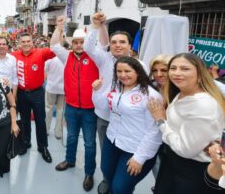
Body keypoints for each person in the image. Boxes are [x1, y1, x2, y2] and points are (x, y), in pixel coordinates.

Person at [85, 11, 146, 194]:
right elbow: (89, 47)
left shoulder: (141, 66)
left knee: (126, 154)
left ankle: (123, 185)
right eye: (114, 42)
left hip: (129, 119)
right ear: (109, 45)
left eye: (122, 42)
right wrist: (96, 26)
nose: (118, 45)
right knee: (107, 155)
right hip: (105, 116)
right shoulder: (104, 59)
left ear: (130, 46)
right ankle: (106, 180)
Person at [147, 53, 225, 194]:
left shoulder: (202, 104)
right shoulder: (182, 92)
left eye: (184, 69)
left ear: (200, 74)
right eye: (173, 68)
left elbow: (185, 150)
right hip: (172, 162)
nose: (177, 73)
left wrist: (161, 121)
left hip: (191, 171)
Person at [95, 56, 162, 194]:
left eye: (127, 71)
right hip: (112, 140)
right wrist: (96, 91)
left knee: (121, 188)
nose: (122, 75)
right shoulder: (116, 87)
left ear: (138, 72)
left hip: (134, 148)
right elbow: (101, 105)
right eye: (119, 71)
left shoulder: (150, 95)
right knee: (107, 172)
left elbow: (155, 131)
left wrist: (139, 158)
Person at [50, 16, 99, 192]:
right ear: (72, 44)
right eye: (76, 42)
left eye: (82, 42)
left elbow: (104, 44)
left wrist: (97, 25)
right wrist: (59, 26)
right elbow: (54, 45)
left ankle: (89, 173)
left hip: (90, 110)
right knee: (70, 137)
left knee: (89, 143)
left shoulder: (94, 56)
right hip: (71, 107)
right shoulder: (66, 56)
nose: (79, 45)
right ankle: (70, 160)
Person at [13, 32, 56, 163]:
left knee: (40, 121)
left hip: (37, 92)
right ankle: (26, 143)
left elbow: (55, 49)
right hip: (21, 93)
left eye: (28, 41)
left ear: (32, 42)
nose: (26, 44)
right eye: (23, 41)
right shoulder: (14, 56)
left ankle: (43, 147)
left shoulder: (41, 53)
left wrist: (59, 30)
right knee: (25, 120)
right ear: (20, 43)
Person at [44, 54, 66, 140]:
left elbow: (45, 71)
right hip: (62, 89)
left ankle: (45, 130)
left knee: (48, 108)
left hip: (51, 88)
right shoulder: (66, 59)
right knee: (60, 110)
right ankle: (58, 132)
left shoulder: (50, 60)